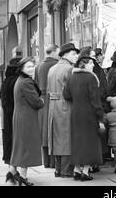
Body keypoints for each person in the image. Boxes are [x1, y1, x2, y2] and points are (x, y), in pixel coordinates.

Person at [63, 55, 105, 182]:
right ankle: (86, 171)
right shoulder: (91, 78)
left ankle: (76, 169)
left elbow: (66, 95)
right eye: (91, 63)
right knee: (90, 142)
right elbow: (95, 100)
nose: (93, 65)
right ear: (84, 64)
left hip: (75, 112)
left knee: (77, 141)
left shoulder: (71, 77)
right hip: (89, 114)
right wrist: (100, 116)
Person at [8, 57, 44, 186]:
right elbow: (36, 101)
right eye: (28, 66)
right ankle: (22, 177)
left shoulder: (20, 80)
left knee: (20, 145)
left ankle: (13, 172)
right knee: (26, 147)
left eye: (32, 66)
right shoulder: (26, 82)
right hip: (26, 119)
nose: (31, 68)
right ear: (22, 68)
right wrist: (42, 101)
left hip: (20, 117)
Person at [47, 42, 79, 178]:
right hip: (65, 104)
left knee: (56, 137)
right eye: (73, 54)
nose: (76, 56)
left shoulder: (52, 68)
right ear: (65, 55)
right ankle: (66, 170)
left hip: (53, 105)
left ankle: (58, 169)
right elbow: (72, 90)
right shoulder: (69, 69)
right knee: (66, 137)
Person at [36, 44, 59, 168]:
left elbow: (35, 84)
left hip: (42, 100)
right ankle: (54, 162)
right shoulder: (56, 65)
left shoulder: (38, 66)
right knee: (53, 130)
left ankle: (46, 162)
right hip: (53, 98)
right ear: (54, 52)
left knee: (44, 132)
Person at [0, 58, 21, 178]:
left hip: (6, 117)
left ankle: (11, 168)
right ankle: (14, 171)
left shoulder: (6, 81)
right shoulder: (17, 81)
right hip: (15, 115)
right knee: (16, 142)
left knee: (9, 141)